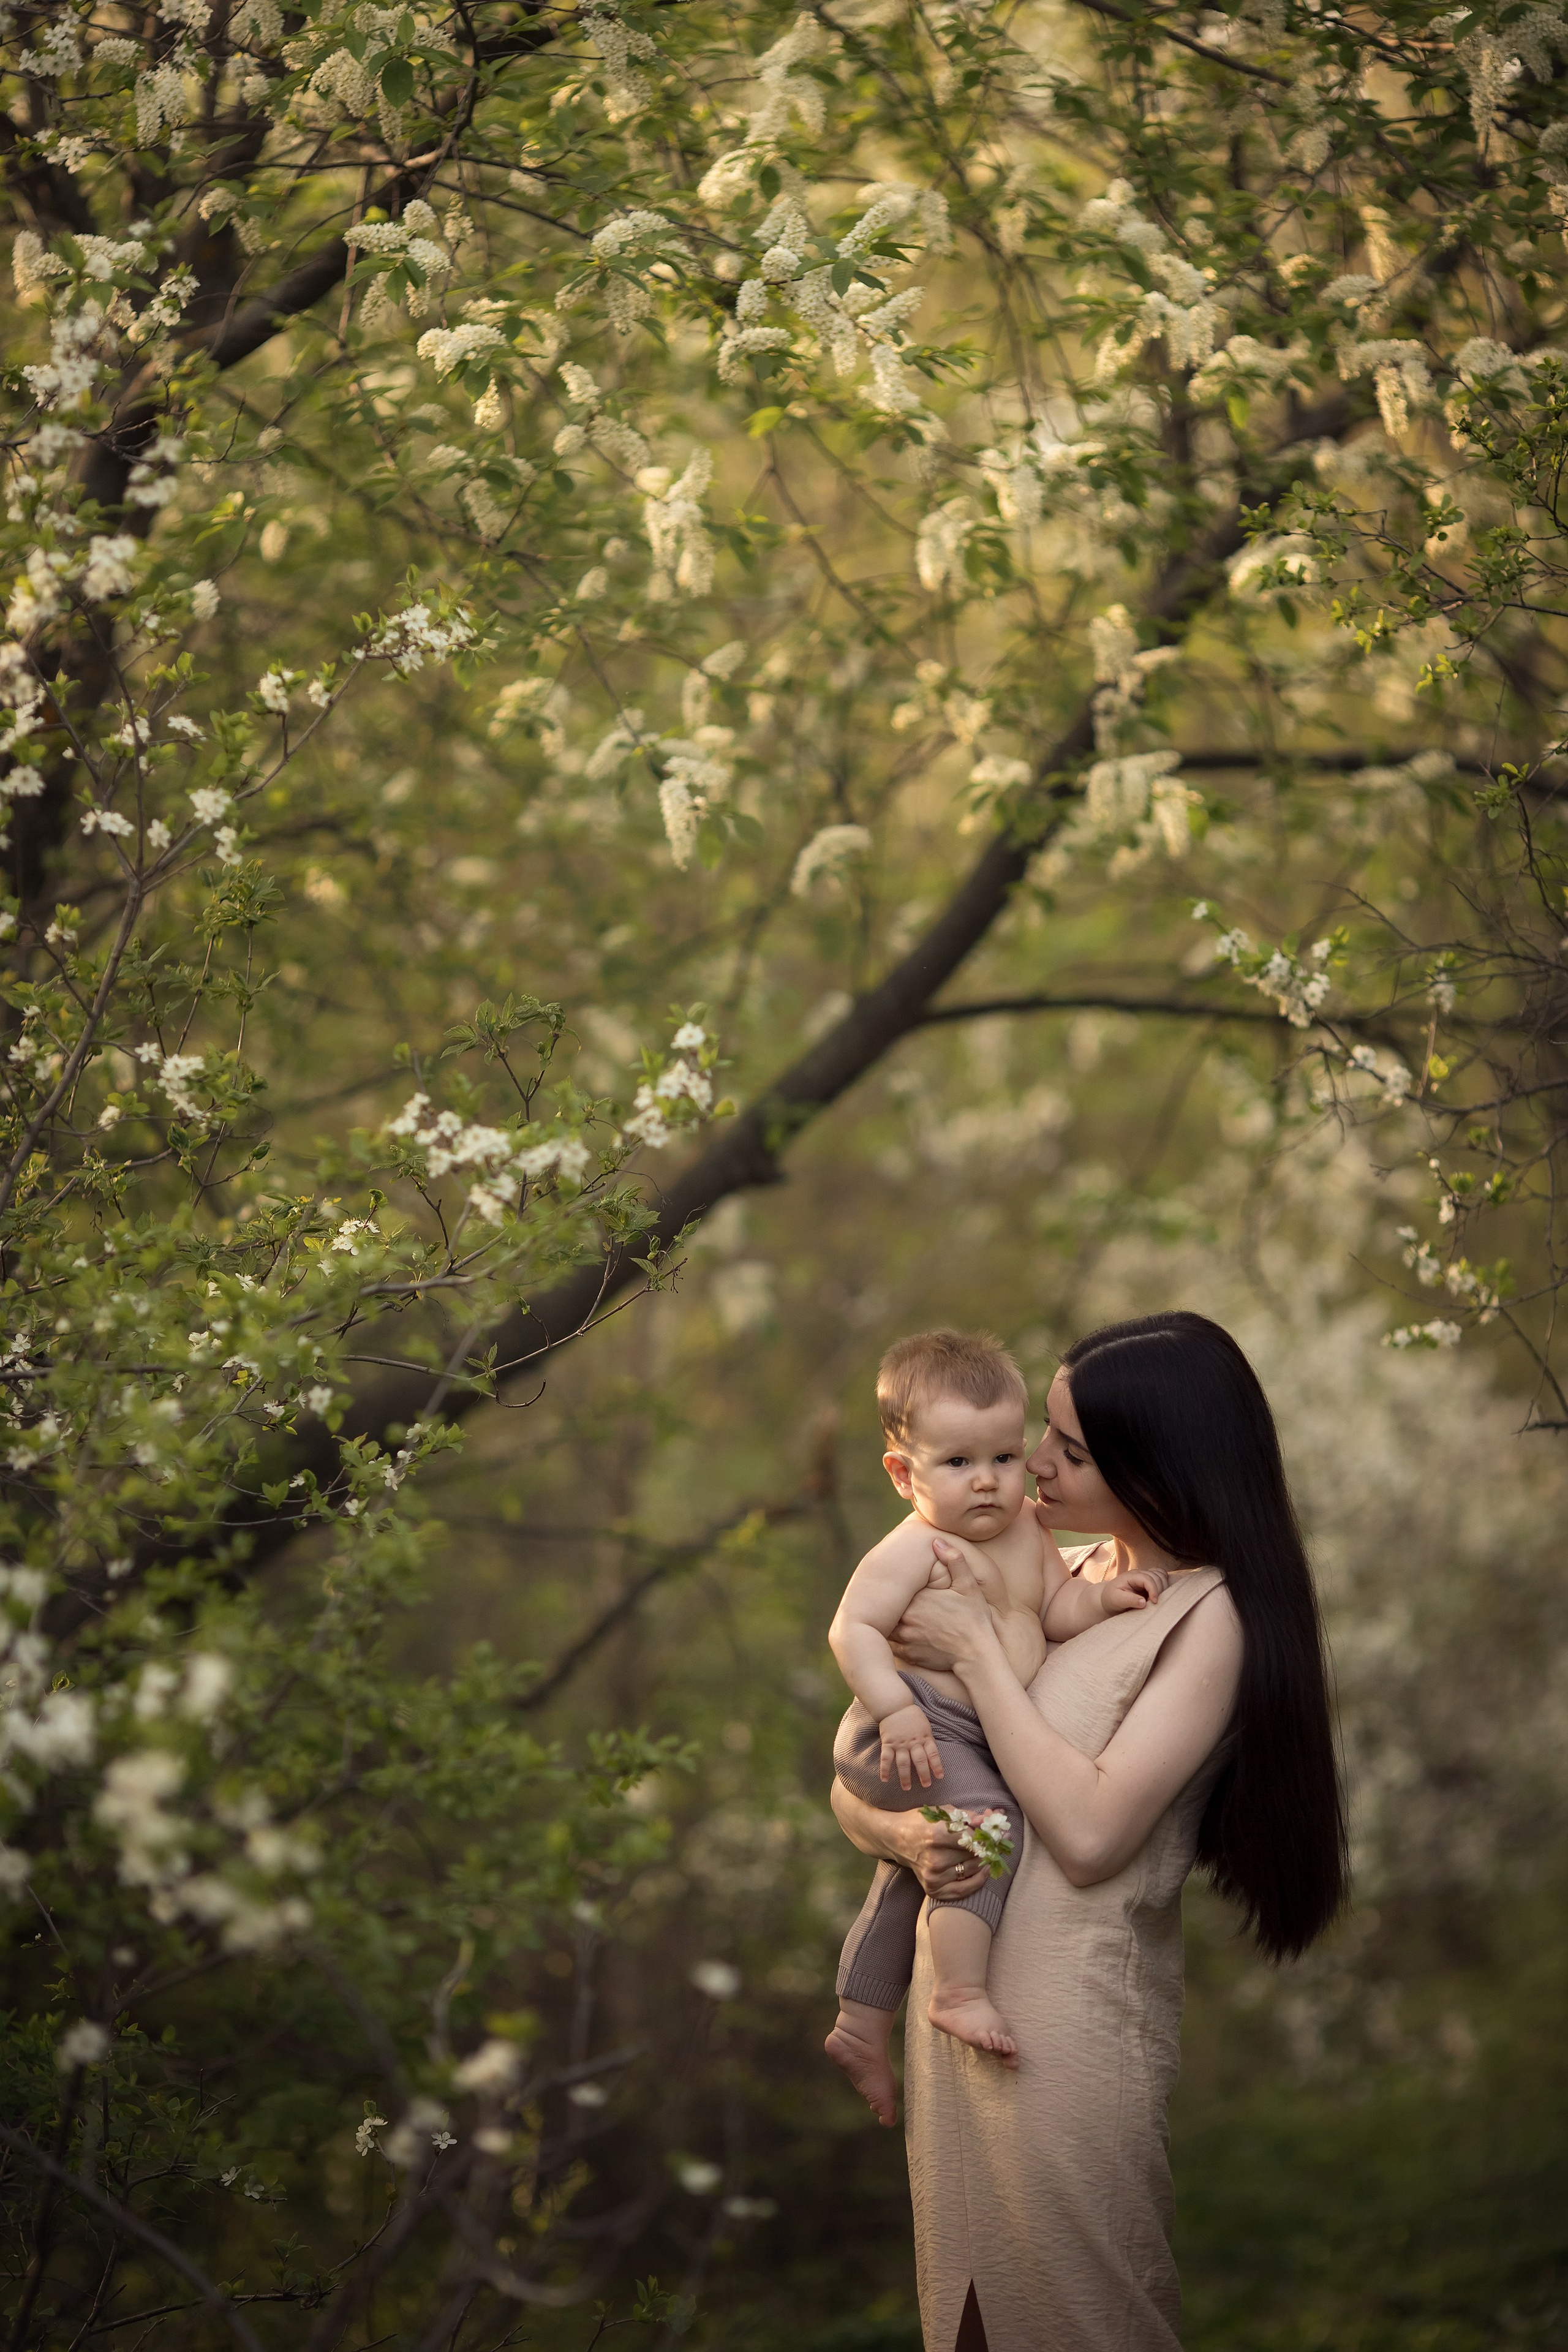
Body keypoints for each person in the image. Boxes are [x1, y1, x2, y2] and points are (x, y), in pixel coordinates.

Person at [829, 1311, 1348, 2352]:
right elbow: (866, 1772)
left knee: (1087, 2324)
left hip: (1062, 2039)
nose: (1032, 1467)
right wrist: (899, 1841)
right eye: (1042, 1441)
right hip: (958, 2021)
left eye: (1068, 1448)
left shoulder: (1210, 1617)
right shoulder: (1047, 1566)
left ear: (1159, 1463)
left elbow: (1092, 1833)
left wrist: (977, 1652)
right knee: (968, 2324)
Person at [826, 1329, 1169, 2123]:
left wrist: (1104, 1601)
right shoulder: (916, 1548)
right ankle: (959, 1990)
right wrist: (898, 1708)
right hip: (910, 1726)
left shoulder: (1030, 1535)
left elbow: (1056, 1606)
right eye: (957, 1464)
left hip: (956, 1735)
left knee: (923, 1868)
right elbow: (852, 1631)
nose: (987, 1483)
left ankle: (859, 2022)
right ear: (901, 1473)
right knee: (988, 1824)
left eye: (1004, 1458)